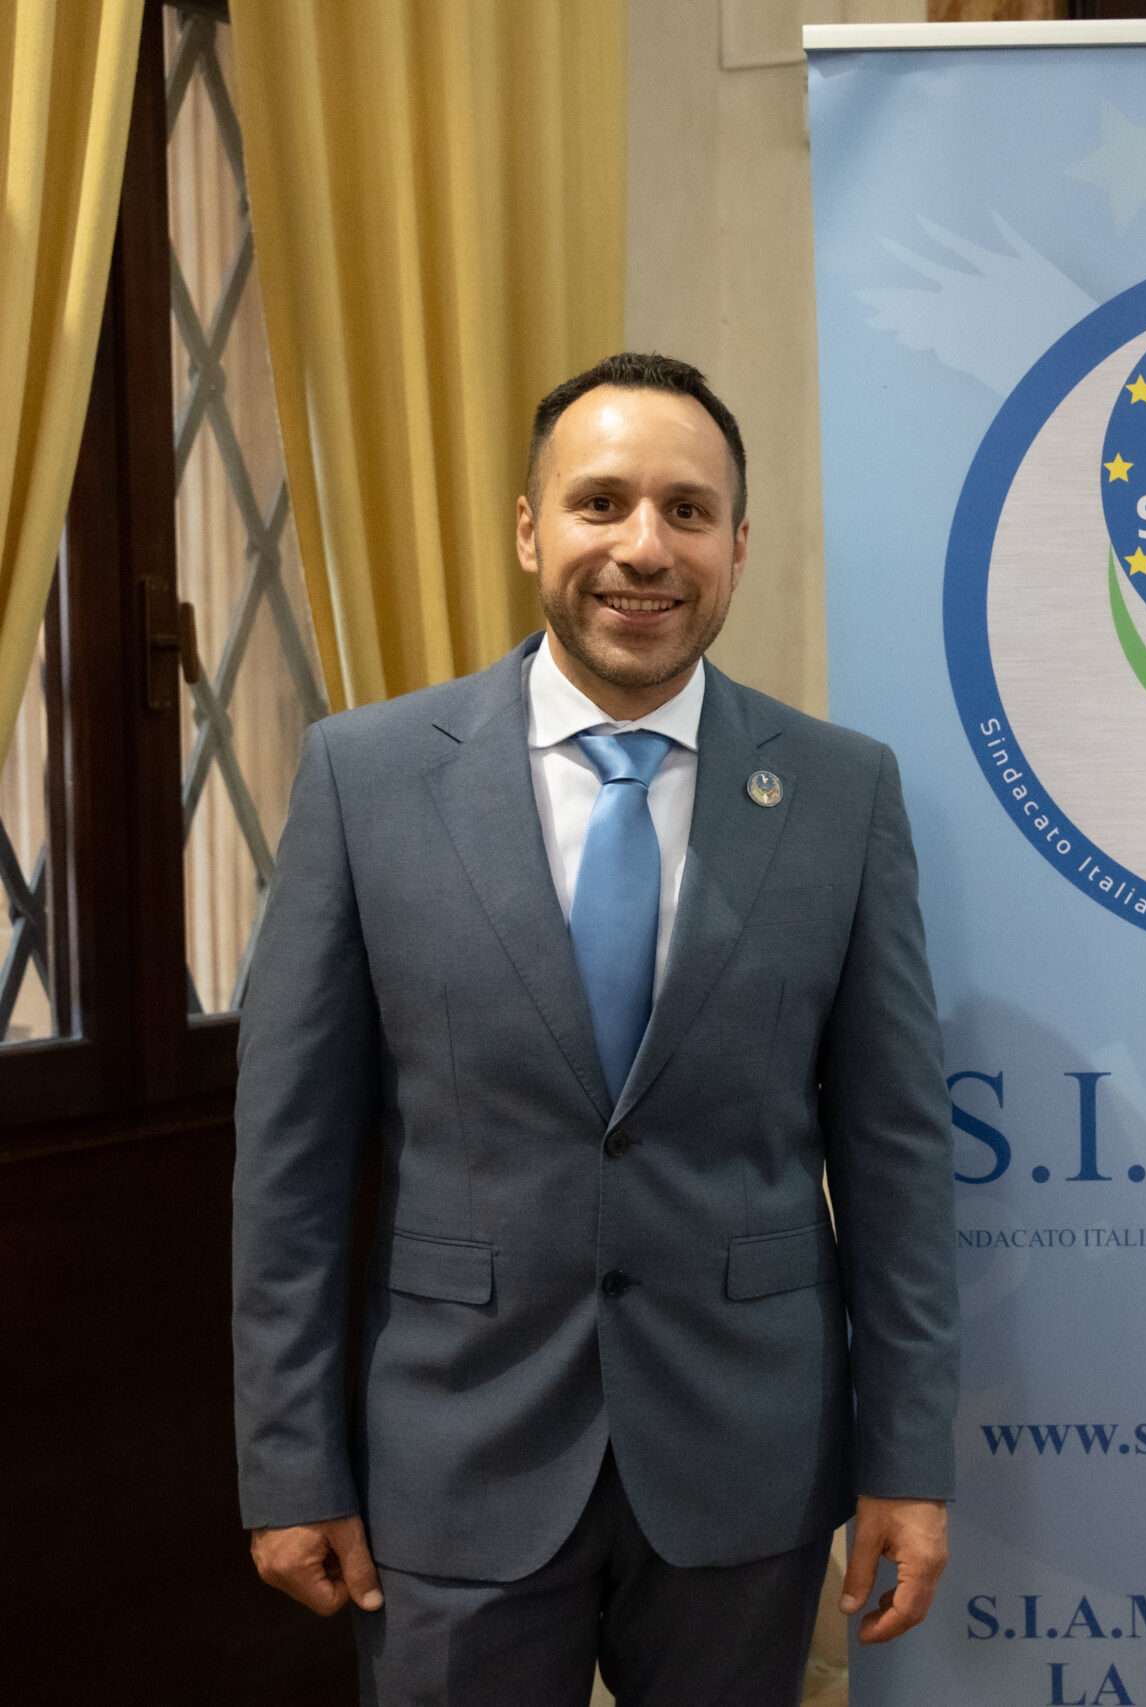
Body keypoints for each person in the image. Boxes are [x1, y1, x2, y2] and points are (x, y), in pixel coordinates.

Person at [231, 352, 957, 1705]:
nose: (644, 547)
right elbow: (291, 1168)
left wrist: (906, 1459)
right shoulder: (366, 779)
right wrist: (288, 1464)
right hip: (455, 1460)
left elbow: (898, 1159)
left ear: (738, 546)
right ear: (529, 529)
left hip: (745, 1461)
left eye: (688, 511)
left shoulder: (841, 793)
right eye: (601, 502)